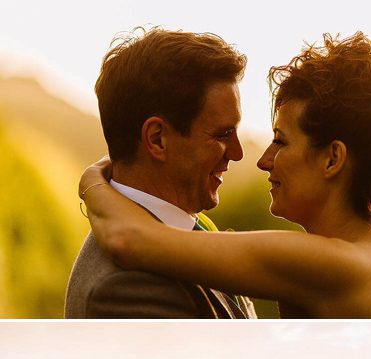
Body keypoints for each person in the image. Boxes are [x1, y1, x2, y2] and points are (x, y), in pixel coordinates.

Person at [79, 32, 371, 319]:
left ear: (333, 159)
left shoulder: (323, 262)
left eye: (280, 142)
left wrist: (92, 181)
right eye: (223, 134)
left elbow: (127, 238)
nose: (259, 159)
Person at [65, 28, 255, 318]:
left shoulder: (188, 226)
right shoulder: (126, 289)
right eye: (222, 134)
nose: (237, 152)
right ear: (157, 139)